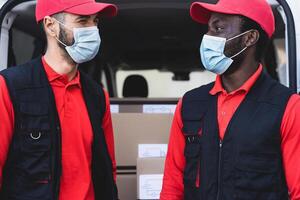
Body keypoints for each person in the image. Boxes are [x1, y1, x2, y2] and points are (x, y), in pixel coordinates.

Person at [160, 0, 300, 199]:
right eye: (208, 29)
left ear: (249, 38)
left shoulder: (288, 107)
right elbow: (172, 186)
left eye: (218, 28)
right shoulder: (189, 104)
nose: (207, 37)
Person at [0, 0, 118, 199]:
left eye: (95, 21)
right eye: (82, 21)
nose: (93, 30)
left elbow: (108, 169)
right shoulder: (10, 87)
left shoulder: (97, 96)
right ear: (50, 26)